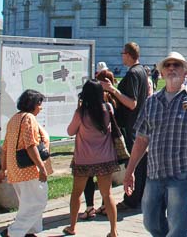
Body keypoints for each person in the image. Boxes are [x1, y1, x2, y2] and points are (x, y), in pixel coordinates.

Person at [123, 51, 187, 237]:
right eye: (167, 65)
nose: (172, 68)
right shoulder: (151, 102)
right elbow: (141, 139)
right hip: (154, 173)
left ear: (185, 72)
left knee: (178, 228)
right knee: (150, 221)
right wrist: (130, 170)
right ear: (162, 73)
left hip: (182, 174)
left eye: (177, 65)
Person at [63, 80, 119, 237]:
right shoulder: (108, 109)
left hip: (84, 158)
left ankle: (72, 226)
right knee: (107, 194)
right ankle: (113, 230)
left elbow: (70, 131)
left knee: (76, 193)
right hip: (105, 157)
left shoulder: (81, 113)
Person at [100, 42, 150, 211]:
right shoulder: (142, 71)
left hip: (132, 125)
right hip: (140, 124)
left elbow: (132, 103)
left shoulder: (133, 75)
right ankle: (140, 198)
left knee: (133, 165)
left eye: (123, 53)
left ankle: (131, 199)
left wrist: (112, 90)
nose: (121, 56)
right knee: (140, 164)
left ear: (128, 54)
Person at [0, 89, 53, 237]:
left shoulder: (14, 119)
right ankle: (14, 232)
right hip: (29, 169)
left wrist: (3, 169)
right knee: (37, 202)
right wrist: (41, 167)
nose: (41, 107)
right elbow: (30, 145)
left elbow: (6, 147)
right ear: (33, 104)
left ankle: (30, 231)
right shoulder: (29, 118)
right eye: (39, 104)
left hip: (16, 169)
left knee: (27, 204)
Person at [82, 69, 117, 219]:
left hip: (86, 151)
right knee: (106, 186)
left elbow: (72, 130)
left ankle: (89, 207)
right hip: (105, 151)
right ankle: (104, 206)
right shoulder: (110, 104)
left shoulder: (84, 109)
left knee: (88, 179)